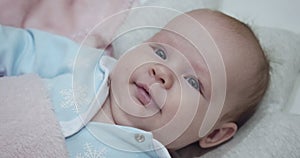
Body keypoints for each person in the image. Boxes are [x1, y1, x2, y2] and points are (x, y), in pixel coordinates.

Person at [0, 9, 269, 157]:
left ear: (213, 134)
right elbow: (24, 49)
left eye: (193, 82)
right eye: (161, 52)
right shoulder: (92, 65)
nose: (162, 72)